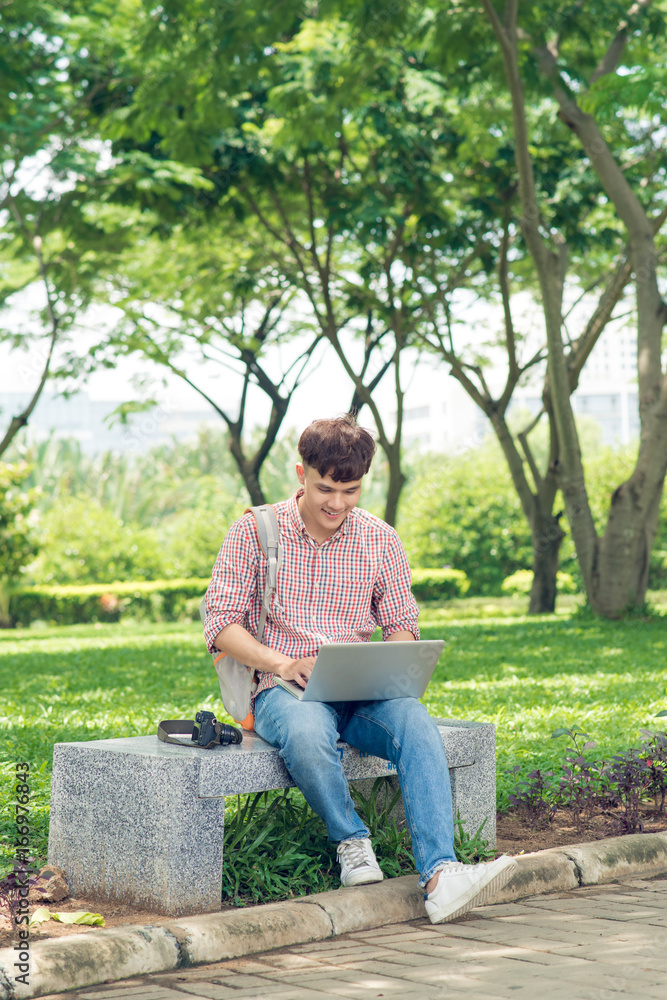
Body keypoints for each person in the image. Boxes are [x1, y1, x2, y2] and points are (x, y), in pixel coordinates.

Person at [203, 415, 516, 923]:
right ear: (300, 473)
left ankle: (440, 875)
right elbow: (220, 624)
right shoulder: (255, 531)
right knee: (306, 730)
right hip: (282, 686)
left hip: (361, 689)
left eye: (350, 490)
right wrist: (283, 661)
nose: (337, 503)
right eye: (325, 487)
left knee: (415, 719)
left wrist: (394, 661)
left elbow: (400, 623)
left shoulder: (380, 539)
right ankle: (351, 841)